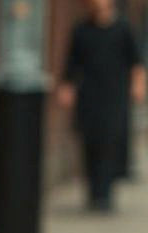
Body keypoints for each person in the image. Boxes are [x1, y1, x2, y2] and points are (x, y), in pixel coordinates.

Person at [57, 0, 147, 211]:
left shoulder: (123, 29)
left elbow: (136, 61)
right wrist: (67, 87)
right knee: (89, 140)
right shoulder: (81, 30)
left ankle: (104, 195)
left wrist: (138, 85)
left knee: (109, 142)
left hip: (114, 95)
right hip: (89, 95)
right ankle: (93, 191)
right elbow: (72, 62)